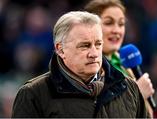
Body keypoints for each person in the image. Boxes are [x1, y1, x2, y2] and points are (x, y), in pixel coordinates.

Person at [11, 11, 148, 118]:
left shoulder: (129, 88)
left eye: (98, 44)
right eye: (85, 46)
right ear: (60, 49)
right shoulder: (33, 94)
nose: (94, 53)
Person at [84, 0, 155, 117]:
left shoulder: (123, 61)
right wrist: (137, 95)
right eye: (108, 23)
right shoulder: (86, 69)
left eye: (121, 24)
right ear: (90, 28)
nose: (117, 30)